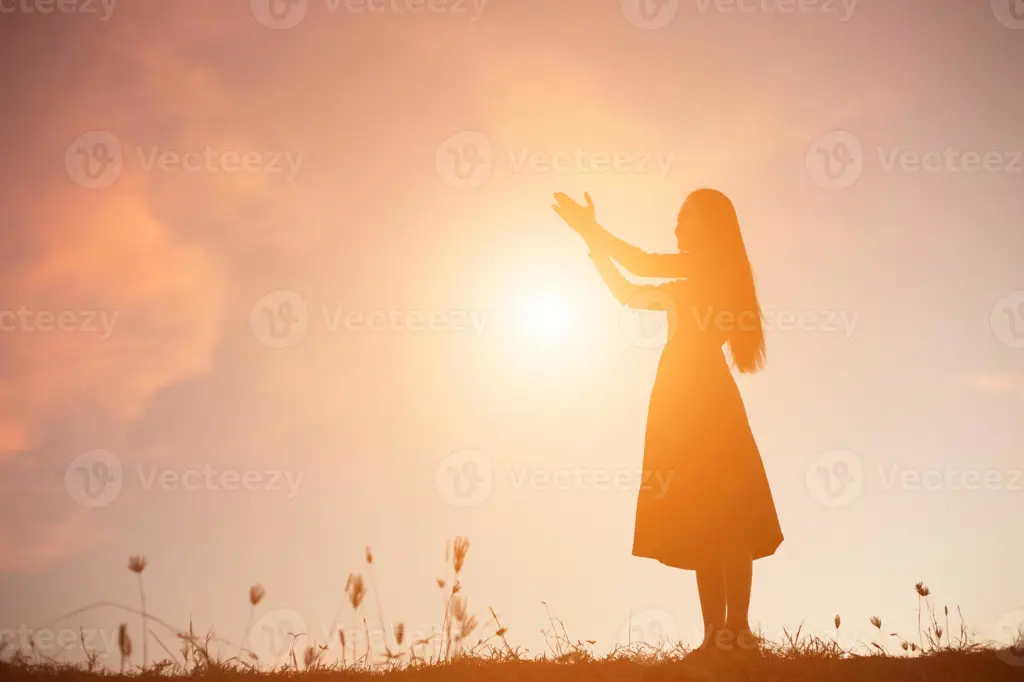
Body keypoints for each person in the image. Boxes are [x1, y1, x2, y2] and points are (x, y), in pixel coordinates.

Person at [552, 189, 783, 654]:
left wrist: (590, 230)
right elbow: (627, 292)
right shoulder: (690, 282)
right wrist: (593, 245)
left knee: (731, 513)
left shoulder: (712, 268)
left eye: (684, 219)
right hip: (678, 397)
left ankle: (737, 631)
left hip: (705, 396)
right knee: (702, 515)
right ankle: (717, 634)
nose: (676, 229)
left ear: (709, 225)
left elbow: (639, 263)